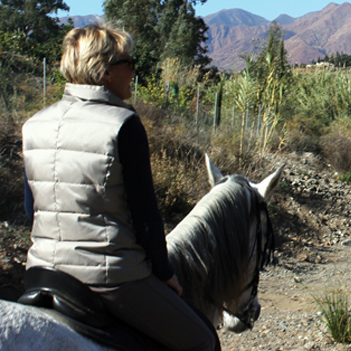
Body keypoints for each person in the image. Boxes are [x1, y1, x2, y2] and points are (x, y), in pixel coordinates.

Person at [22, 23, 218, 351]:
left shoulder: (34, 124)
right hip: (108, 277)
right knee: (202, 341)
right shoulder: (122, 125)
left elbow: (33, 209)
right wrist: (164, 272)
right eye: (128, 62)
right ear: (104, 73)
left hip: (42, 270)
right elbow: (144, 215)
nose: (133, 70)